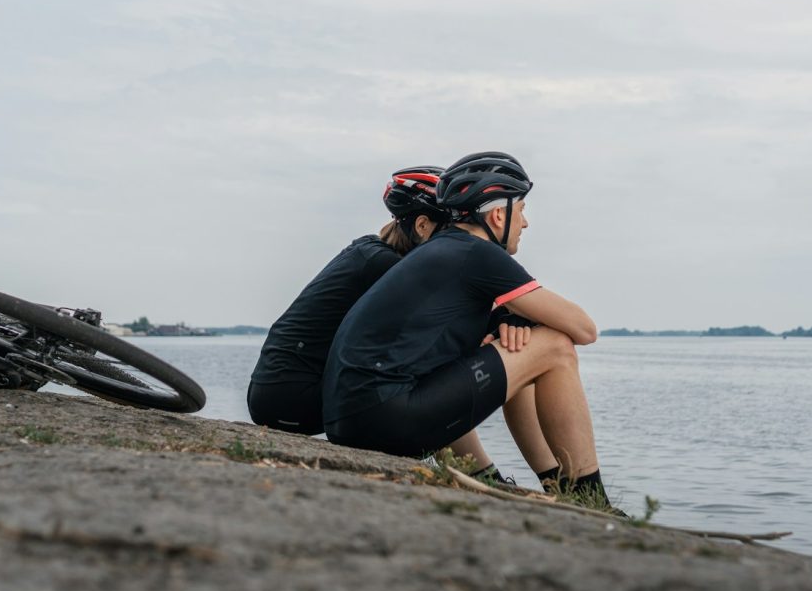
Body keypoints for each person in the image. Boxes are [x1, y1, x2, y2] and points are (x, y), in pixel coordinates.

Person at [323, 151, 619, 508]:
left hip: (354, 419)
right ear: (498, 214)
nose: (524, 223)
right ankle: (589, 499)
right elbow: (584, 329)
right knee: (554, 345)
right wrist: (522, 317)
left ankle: (556, 485)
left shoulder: (441, 250)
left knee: (520, 349)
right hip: (385, 417)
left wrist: (514, 324)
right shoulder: (477, 253)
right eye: (521, 210)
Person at [246, 166, 449, 435]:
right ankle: (480, 470)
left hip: (273, 395)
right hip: (293, 401)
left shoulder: (370, 252)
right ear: (423, 226)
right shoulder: (385, 266)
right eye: (449, 231)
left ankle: (476, 468)